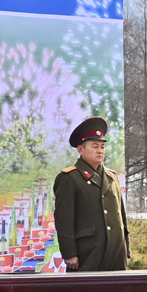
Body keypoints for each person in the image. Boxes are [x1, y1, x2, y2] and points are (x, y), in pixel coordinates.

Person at [53, 116, 128, 271]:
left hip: (116, 253)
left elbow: (121, 215)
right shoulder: (69, 178)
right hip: (87, 253)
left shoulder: (112, 177)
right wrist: (69, 253)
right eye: (95, 146)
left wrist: (126, 247)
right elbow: (64, 220)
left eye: (102, 146)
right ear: (81, 149)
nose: (100, 151)